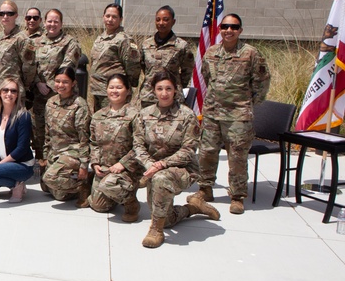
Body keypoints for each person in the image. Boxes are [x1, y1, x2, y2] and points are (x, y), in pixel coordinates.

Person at [192, 13, 271, 214]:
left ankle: (237, 196)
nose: (229, 30)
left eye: (234, 27)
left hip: (238, 116)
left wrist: (249, 103)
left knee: (237, 156)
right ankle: (205, 188)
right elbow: (208, 77)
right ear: (220, 29)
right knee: (207, 152)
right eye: (225, 26)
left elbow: (261, 81)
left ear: (240, 30)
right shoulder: (211, 53)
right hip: (212, 112)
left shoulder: (250, 53)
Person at [134, 71, 220, 248]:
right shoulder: (144, 114)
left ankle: (156, 230)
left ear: (175, 91)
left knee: (160, 179)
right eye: (160, 89)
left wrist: (161, 165)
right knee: (168, 218)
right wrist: (150, 164)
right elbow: (138, 145)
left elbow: (189, 149)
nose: (164, 93)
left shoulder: (187, 116)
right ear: (153, 91)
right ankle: (193, 207)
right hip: (153, 168)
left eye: (168, 89)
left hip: (183, 169)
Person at [89, 73, 142, 220]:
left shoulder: (135, 115)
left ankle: (131, 202)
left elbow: (141, 146)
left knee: (109, 186)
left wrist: (123, 164)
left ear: (128, 90)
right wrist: (95, 163)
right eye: (111, 87)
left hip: (125, 169)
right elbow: (94, 143)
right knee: (98, 206)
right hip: (104, 168)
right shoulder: (98, 115)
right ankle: (102, 187)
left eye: (119, 87)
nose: (114, 91)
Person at [31, 9, 81, 162]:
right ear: (44, 22)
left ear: (61, 24)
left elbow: (68, 67)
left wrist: (51, 85)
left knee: (61, 128)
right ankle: (41, 158)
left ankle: (61, 160)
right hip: (39, 94)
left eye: (56, 21)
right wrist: (38, 83)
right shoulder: (35, 42)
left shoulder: (70, 42)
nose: (52, 24)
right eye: (49, 21)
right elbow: (29, 65)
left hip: (62, 95)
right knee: (39, 127)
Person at [41, 66, 91, 205]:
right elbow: (47, 132)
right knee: (50, 190)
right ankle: (73, 179)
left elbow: (84, 137)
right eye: (57, 81)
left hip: (72, 152)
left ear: (73, 83)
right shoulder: (51, 102)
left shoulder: (79, 105)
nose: (60, 85)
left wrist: (84, 165)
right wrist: (45, 156)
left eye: (65, 82)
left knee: (50, 178)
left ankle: (83, 186)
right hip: (55, 151)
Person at [139, 5, 195, 107]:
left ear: (173, 22)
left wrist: (175, 85)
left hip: (172, 96)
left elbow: (187, 71)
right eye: (158, 20)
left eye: (165, 20)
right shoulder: (146, 44)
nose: (161, 23)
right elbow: (143, 66)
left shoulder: (181, 46)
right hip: (149, 95)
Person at [89, 3, 140, 111]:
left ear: (120, 19)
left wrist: (125, 87)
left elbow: (132, 67)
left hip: (114, 92)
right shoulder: (100, 38)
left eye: (114, 17)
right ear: (103, 17)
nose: (110, 19)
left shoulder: (124, 39)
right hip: (98, 90)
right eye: (107, 16)